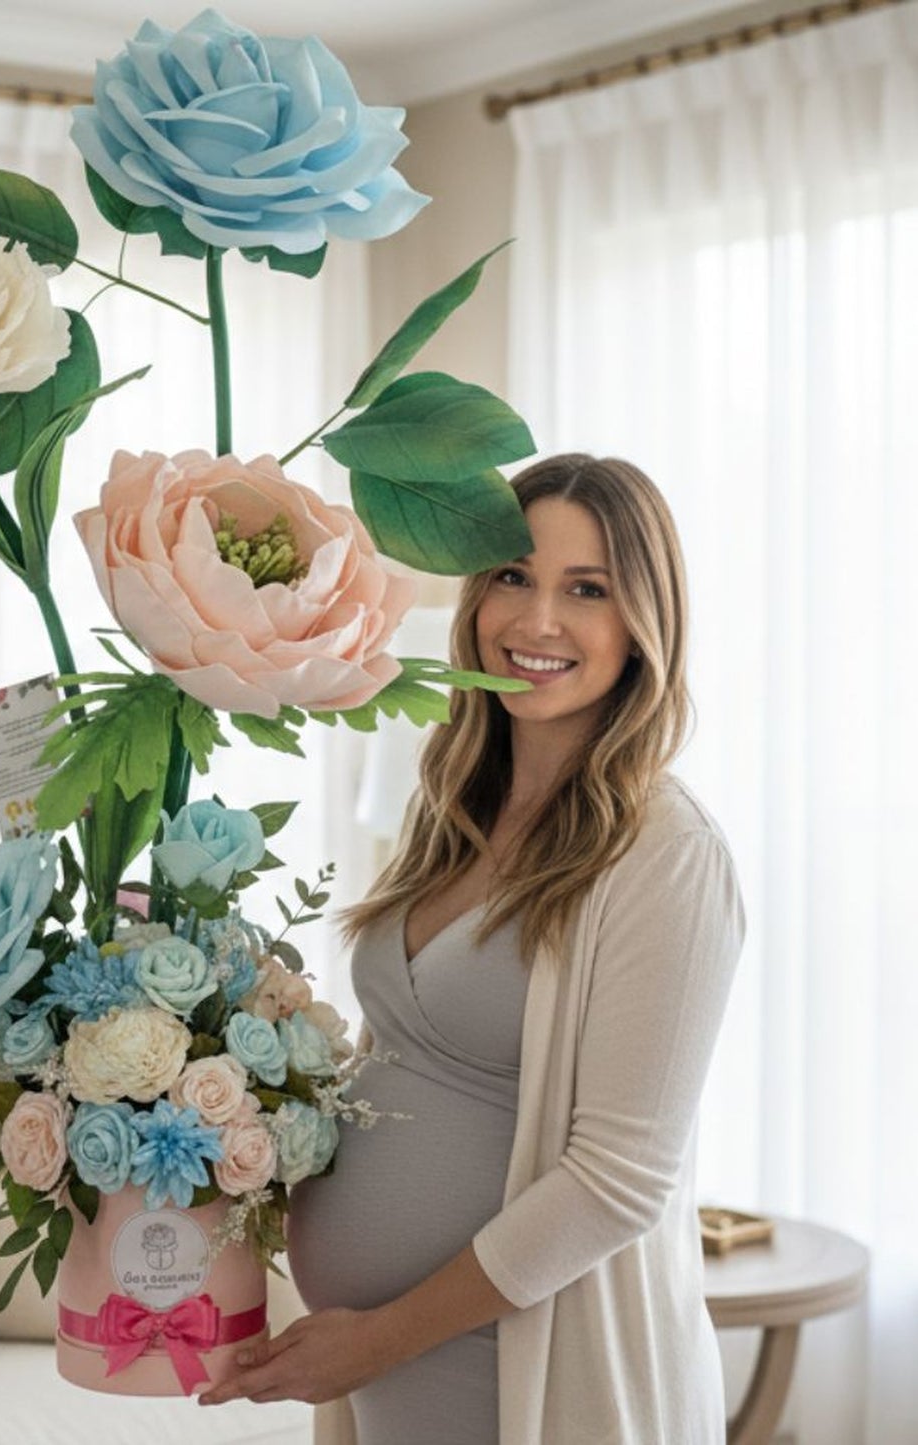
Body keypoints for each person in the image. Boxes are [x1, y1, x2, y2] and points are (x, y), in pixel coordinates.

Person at [196, 453, 745, 1444]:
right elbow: (401, 1060)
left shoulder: (665, 853)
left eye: (586, 589)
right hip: (392, 1366)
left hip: (515, 1360)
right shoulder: (453, 799)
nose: (535, 621)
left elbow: (615, 1181)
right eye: (512, 576)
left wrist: (379, 1336)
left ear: (641, 626)